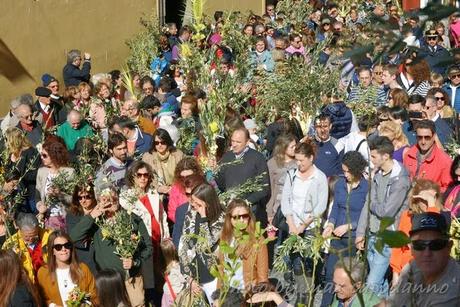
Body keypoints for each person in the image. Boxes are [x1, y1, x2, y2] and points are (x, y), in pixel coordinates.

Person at [69, 187, 153, 307]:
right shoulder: (96, 222)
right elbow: (73, 237)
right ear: (99, 201)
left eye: (113, 197)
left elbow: (148, 247)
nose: (110, 201)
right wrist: (92, 216)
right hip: (108, 282)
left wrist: (135, 262)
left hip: (131, 279)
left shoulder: (132, 218)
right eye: (105, 199)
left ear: (118, 197)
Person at [356, 136, 411, 298]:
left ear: (385, 156)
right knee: (378, 282)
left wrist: (372, 203)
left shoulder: (400, 180)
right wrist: (360, 233)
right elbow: (367, 205)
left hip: (387, 237)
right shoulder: (378, 174)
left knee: (372, 283)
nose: (370, 160)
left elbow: (387, 211)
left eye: (373, 156)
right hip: (372, 234)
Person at [280, 140, 328, 303]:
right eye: (297, 160)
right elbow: (285, 199)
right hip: (293, 225)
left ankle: (307, 295)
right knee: (296, 262)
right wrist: (291, 223)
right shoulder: (291, 175)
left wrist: (303, 225)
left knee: (308, 262)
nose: (298, 163)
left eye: (301, 160)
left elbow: (320, 206)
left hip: (310, 226)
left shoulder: (319, 177)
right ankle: (302, 292)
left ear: (311, 158)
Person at [321, 151, 368, 307]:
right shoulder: (340, 183)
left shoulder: (366, 187)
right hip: (336, 239)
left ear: (356, 170)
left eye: (348, 171)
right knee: (329, 276)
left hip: (353, 240)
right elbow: (336, 208)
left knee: (347, 280)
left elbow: (366, 214)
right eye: (344, 170)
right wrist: (330, 224)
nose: (345, 174)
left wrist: (350, 226)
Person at [120, 160, 170, 304]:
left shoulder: (153, 194)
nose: (143, 178)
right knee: (146, 281)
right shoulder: (126, 198)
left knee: (160, 278)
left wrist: (166, 237)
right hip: (142, 245)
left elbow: (162, 217)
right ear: (132, 177)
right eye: (139, 175)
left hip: (158, 243)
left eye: (146, 175)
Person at [387, 212, 460, 306]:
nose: (427, 253)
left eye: (436, 245)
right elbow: (392, 302)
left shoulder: (454, 286)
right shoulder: (411, 268)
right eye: (419, 245)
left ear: (448, 247)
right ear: (411, 247)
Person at [389, 179, 443, 288]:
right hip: (406, 270)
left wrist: (431, 206)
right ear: (416, 199)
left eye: (431, 199)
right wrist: (395, 273)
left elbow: (432, 230)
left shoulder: (441, 217)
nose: (427, 203)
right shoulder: (407, 216)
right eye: (424, 199)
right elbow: (398, 247)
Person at [178, 183, 224, 304]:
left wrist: (203, 217)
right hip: (194, 276)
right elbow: (183, 246)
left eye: (198, 203)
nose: (193, 205)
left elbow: (205, 245)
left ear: (208, 203)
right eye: (192, 201)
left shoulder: (220, 218)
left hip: (212, 276)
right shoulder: (191, 214)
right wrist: (189, 278)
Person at [216, 128, 271, 227]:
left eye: (238, 142)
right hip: (231, 209)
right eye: (232, 141)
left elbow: (264, 187)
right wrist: (215, 172)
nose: (234, 144)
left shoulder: (257, 158)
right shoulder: (227, 157)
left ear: (247, 142)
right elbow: (221, 184)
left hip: (251, 211)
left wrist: (247, 202)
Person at [218, 199, 269, 292]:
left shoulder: (257, 239)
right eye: (237, 217)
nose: (241, 220)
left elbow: (263, 276)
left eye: (245, 216)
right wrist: (218, 295)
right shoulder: (225, 236)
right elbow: (221, 269)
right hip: (227, 291)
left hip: (246, 291)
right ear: (229, 218)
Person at [37, 231, 97, 306]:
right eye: (58, 247)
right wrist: (53, 306)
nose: (63, 249)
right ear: (52, 251)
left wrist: (85, 304)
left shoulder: (82, 268)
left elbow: (94, 294)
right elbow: (42, 298)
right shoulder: (43, 272)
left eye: (67, 245)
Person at [35, 136, 75, 231]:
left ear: (54, 156)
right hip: (48, 219)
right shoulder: (41, 172)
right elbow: (37, 196)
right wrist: (40, 206)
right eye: (41, 154)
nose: (41, 157)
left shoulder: (69, 172)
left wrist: (60, 194)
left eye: (44, 155)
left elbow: (74, 200)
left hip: (65, 218)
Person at [403, 119, 453, 193]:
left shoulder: (444, 161)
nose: (423, 142)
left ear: (434, 137)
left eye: (427, 137)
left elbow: (449, 190)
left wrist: (430, 190)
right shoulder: (408, 155)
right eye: (420, 137)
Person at [2, 213, 52, 282]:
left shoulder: (49, 237)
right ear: (19, 229)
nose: (31, 239)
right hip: (26, 284)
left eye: (34, 235)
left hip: (48, 280)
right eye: (27, 237)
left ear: (38, 228)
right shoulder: (11, 244)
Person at [3, 127, 41, 213]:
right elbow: (7, 174)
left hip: (31, 194)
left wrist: (20, 176)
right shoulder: (10, 155)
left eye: (7, 140)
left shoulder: (31, 152)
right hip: (17, 197)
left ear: (13, 140)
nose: (6, 143)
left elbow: (36, 174)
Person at [142, 128, 184, 197]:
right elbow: (145, 178)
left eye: (163, 142)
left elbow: (184, 175)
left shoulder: (178, 154)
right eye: (157, 143)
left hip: (178, 192)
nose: (160, 145)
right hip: (157, 195)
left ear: (168, 142)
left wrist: (174, 188)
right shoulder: (148, 157)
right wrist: (158, 188)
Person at [65, 184, 98, 273]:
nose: (83, 201)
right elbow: (73, 238)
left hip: (100, 260)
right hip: (83, 259)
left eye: (87, 197)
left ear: (94, 196)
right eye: (80, 198)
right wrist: (91, 217)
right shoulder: (72, 215)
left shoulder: (101, 211)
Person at [266, 134, 297, 223]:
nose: (295, 148)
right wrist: (269, 213)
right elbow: (271, 189)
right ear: (283, 148)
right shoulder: (272, 163)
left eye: (296, 146)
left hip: (294, 207)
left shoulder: (299, 161)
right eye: (292, 147)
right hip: (277, 206)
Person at [168, 157, 204, 223]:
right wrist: (185, 223)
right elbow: (172, 212)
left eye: (189, 176)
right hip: (182, 224)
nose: (185, 180)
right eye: (182, 177)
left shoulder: (203, 185)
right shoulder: (176, 188)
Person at [160, 239, 186, 307]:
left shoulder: (164, 266)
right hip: (175, 295)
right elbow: (183, 279)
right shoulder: (176, 266)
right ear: (174, 251)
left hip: (166, 294)